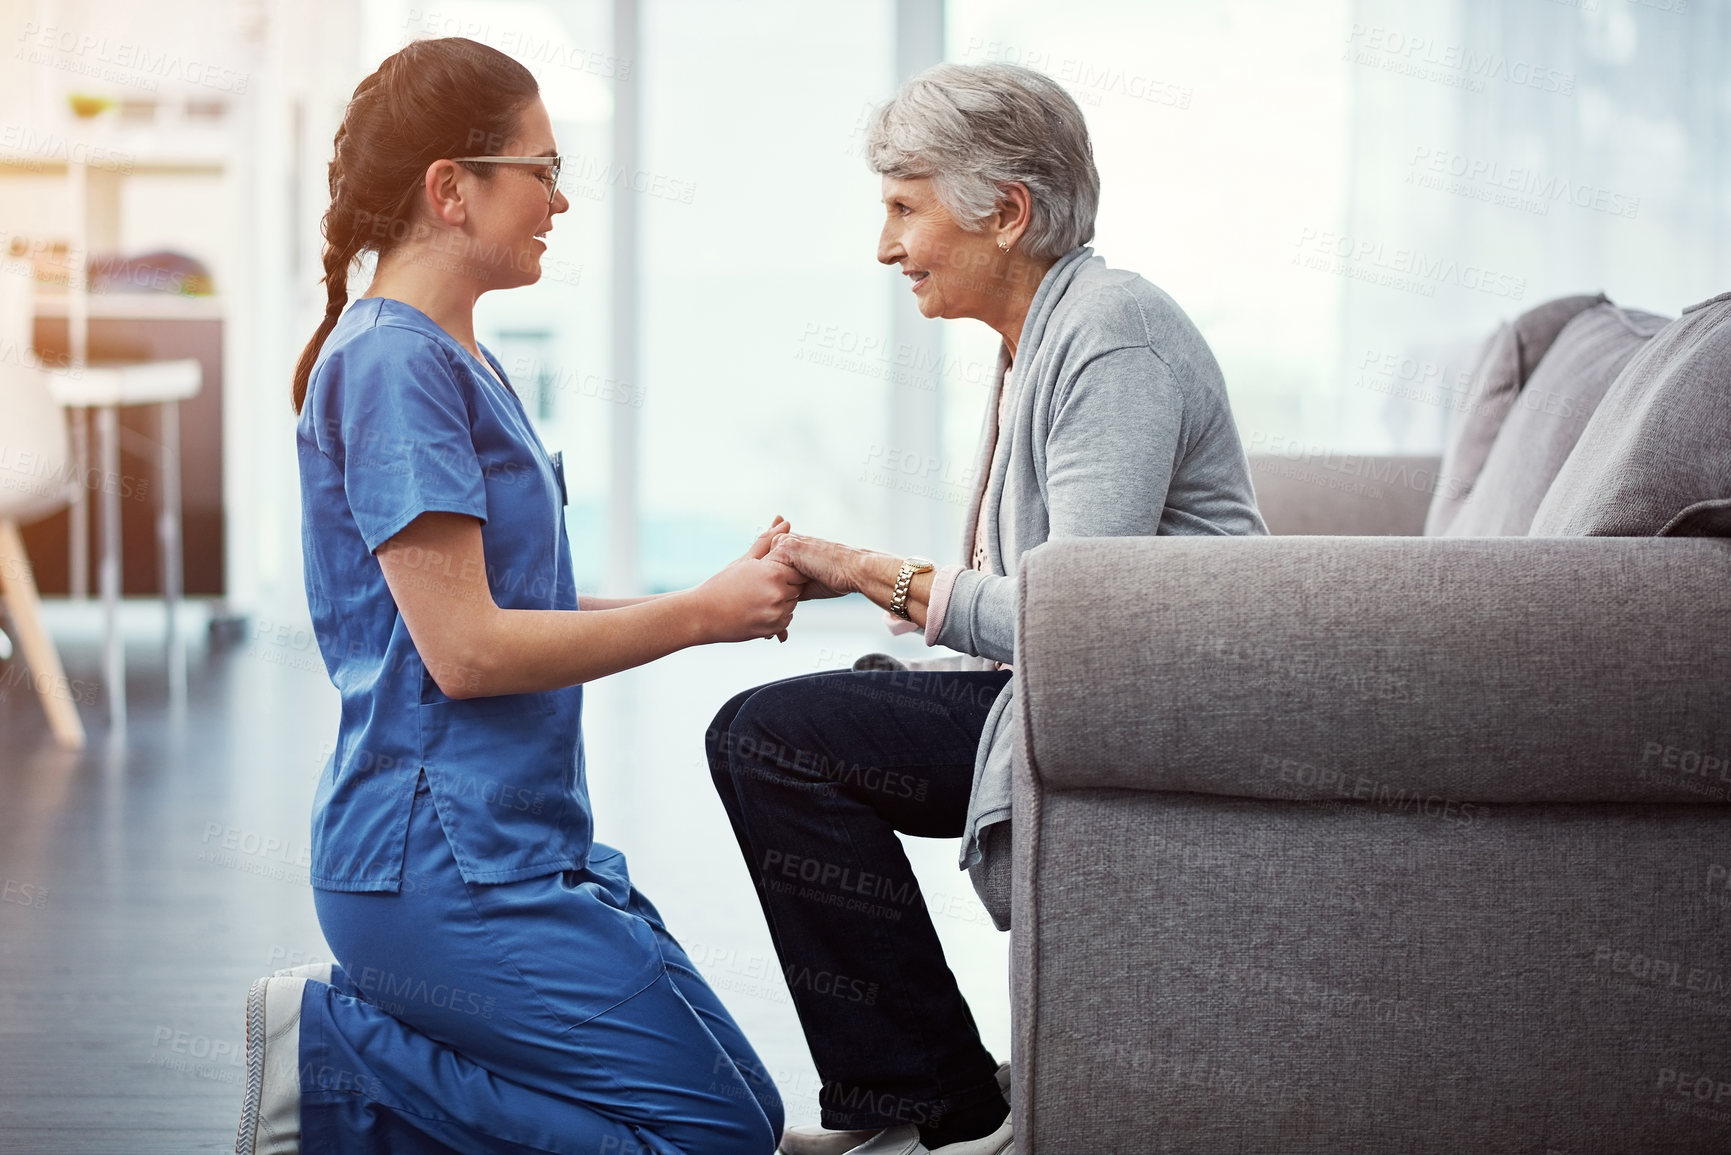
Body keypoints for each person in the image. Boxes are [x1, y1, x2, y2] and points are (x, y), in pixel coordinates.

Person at [235, 37, 801, 1155]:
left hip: (520, 841)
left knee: (749, 1121)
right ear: (453, 188)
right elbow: (470, 654)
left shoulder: (455, 357)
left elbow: (515, 604)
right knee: (713, 1145)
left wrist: (712, 593)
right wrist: (701, 619)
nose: (561, 201)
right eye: (541, 172)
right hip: (438, 864)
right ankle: (336, 1055)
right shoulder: (395, 365)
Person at [706, 62, 1268, 1155]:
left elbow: (1083, 621)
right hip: (1072, 692)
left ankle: (932, 1102)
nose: (887, 247)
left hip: (1137, 704)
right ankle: (914, 1095)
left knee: (771, 738)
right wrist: (874, 583)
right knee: (809, 722)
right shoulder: (1043, 335)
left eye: (905, 209)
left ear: (1006, 213)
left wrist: (879, 575)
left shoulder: (1114, 333)